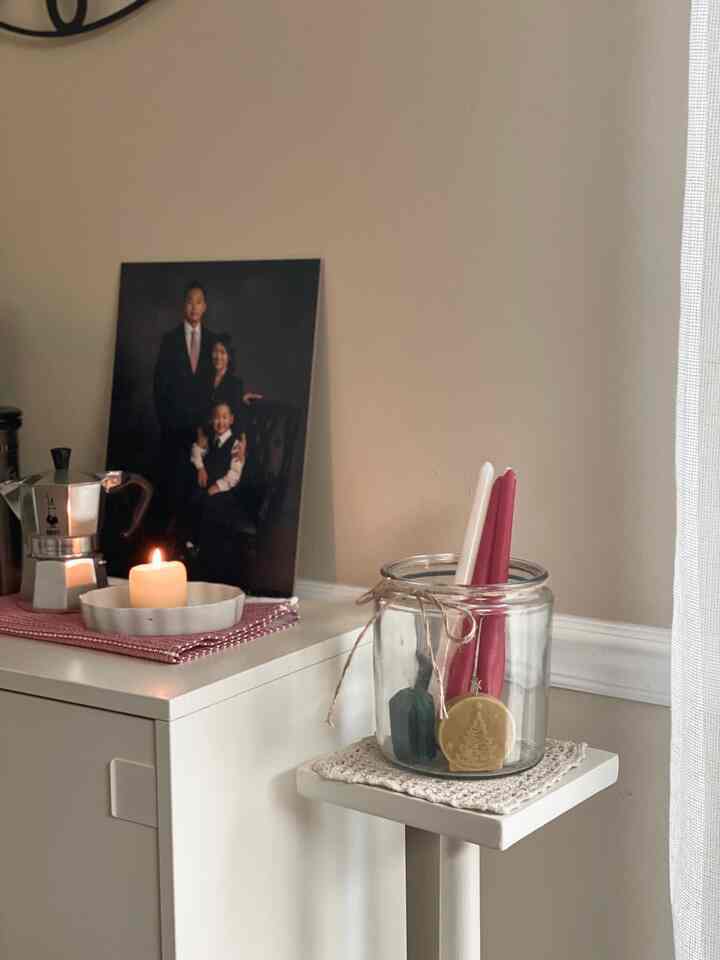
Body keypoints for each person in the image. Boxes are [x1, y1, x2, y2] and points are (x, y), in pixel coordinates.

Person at [153, 282, 217, 538]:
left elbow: (221, 379)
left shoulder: (213, 340)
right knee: (173, 481)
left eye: (199, 302)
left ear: (205, 307)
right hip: (174, 425)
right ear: (184, 305)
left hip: (202, 426)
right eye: (189, 301)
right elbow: (159, 385)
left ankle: (194, 537)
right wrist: (167, 422)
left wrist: (239, 396)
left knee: (198, 482)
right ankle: (171, 537)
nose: (194, 307)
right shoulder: (170, 340)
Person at [186, 401, 247, 572]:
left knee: (210, 506)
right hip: (207, 484)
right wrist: (201, 468)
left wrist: (218, 486)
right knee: (193, 497)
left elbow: (235, 473)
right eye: (216, 418)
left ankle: (206, 547)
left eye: (224, 417)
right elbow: (197, 451)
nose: (220, 422)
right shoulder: (210, 438)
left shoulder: (235, 444)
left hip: (225, 489)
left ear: (231, 419)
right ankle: (192, 541)